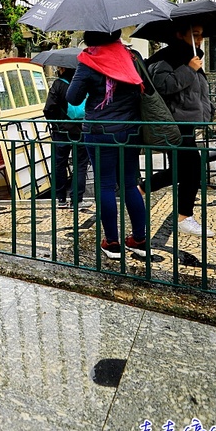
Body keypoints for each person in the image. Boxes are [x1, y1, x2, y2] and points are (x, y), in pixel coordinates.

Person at [66, 30, 148, 260]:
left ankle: (112, 243)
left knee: (104, 186)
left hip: (100, 132)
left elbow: (72, 98)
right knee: (130, 185)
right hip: (130, 132)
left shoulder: (89, 60)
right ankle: (139, 240)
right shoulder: (132, 56)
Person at [147, 23, 214, 237]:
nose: (199, 40)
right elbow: (163, 86)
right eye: (194, 34)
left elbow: (197, 91)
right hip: (175, 123)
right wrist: (189, 69)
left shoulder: (190, 56)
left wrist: (207, 111)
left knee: (184, 169)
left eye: (201, 35)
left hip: (187, 122)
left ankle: (140, 189)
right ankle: (184, 217)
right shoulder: (167, 58)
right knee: (191, 168)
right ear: (179, 34)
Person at [42, 64, 92, 209]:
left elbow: (48, 108)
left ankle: (61, 199)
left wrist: (56, 124)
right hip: (82, 130)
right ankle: (77, 200)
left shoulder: (58, 84)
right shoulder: (83, 84)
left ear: (63, 68)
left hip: (62, 131)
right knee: (80, 165)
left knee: (59, 164)